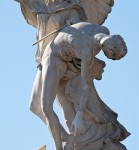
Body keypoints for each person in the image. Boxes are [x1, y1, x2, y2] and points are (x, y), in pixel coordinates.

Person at [30, 22, 127, 150]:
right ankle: (66, 137)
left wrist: (79, 116)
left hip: (55, 61)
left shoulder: (88, 54)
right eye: (114, 48)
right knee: (33, 106)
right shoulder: (103, 29)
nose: (111, 50)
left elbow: (86, 87)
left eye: (112, 54)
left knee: (46, 108)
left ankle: (59, 147)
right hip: (47, 55)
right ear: (115, 37)